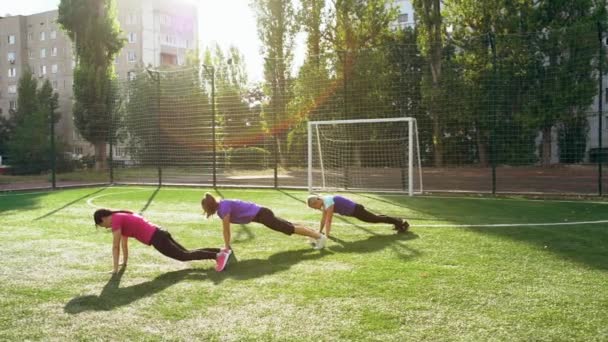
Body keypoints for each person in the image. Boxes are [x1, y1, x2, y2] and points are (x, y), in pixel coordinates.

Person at [93, 209, 233, 274]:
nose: (105, 227)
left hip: (156, 238)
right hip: (160, 232)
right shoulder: (120, 217)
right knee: (187, 252)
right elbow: (123, 243)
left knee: (183, 256)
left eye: (102, 225)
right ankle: (222, 251)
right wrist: (123, 262)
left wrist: (115, 269)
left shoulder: (116, 220)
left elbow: (115, 246)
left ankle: (218, 256)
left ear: (104, 218)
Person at [201, 192, 327, 250]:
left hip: (262, 214)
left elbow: (226, 229)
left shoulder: (223, 207)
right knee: (288, 225)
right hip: (261, 214)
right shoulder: (222, 207)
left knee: (288, 228)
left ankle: (319, 237)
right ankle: (314, 234)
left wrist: (227, 246)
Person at [306, 194, 409, 238]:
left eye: (314, 206)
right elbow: (323, 219)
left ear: (317, 201)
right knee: (375, 218)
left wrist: (326, 236)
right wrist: (320, 232)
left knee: (375, 219)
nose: (315, 208)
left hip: (356, 210)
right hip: (355, 211)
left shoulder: (328, 203)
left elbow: (328, 220)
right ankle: (398, 221)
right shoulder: (324, 202)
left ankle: (401, 223)